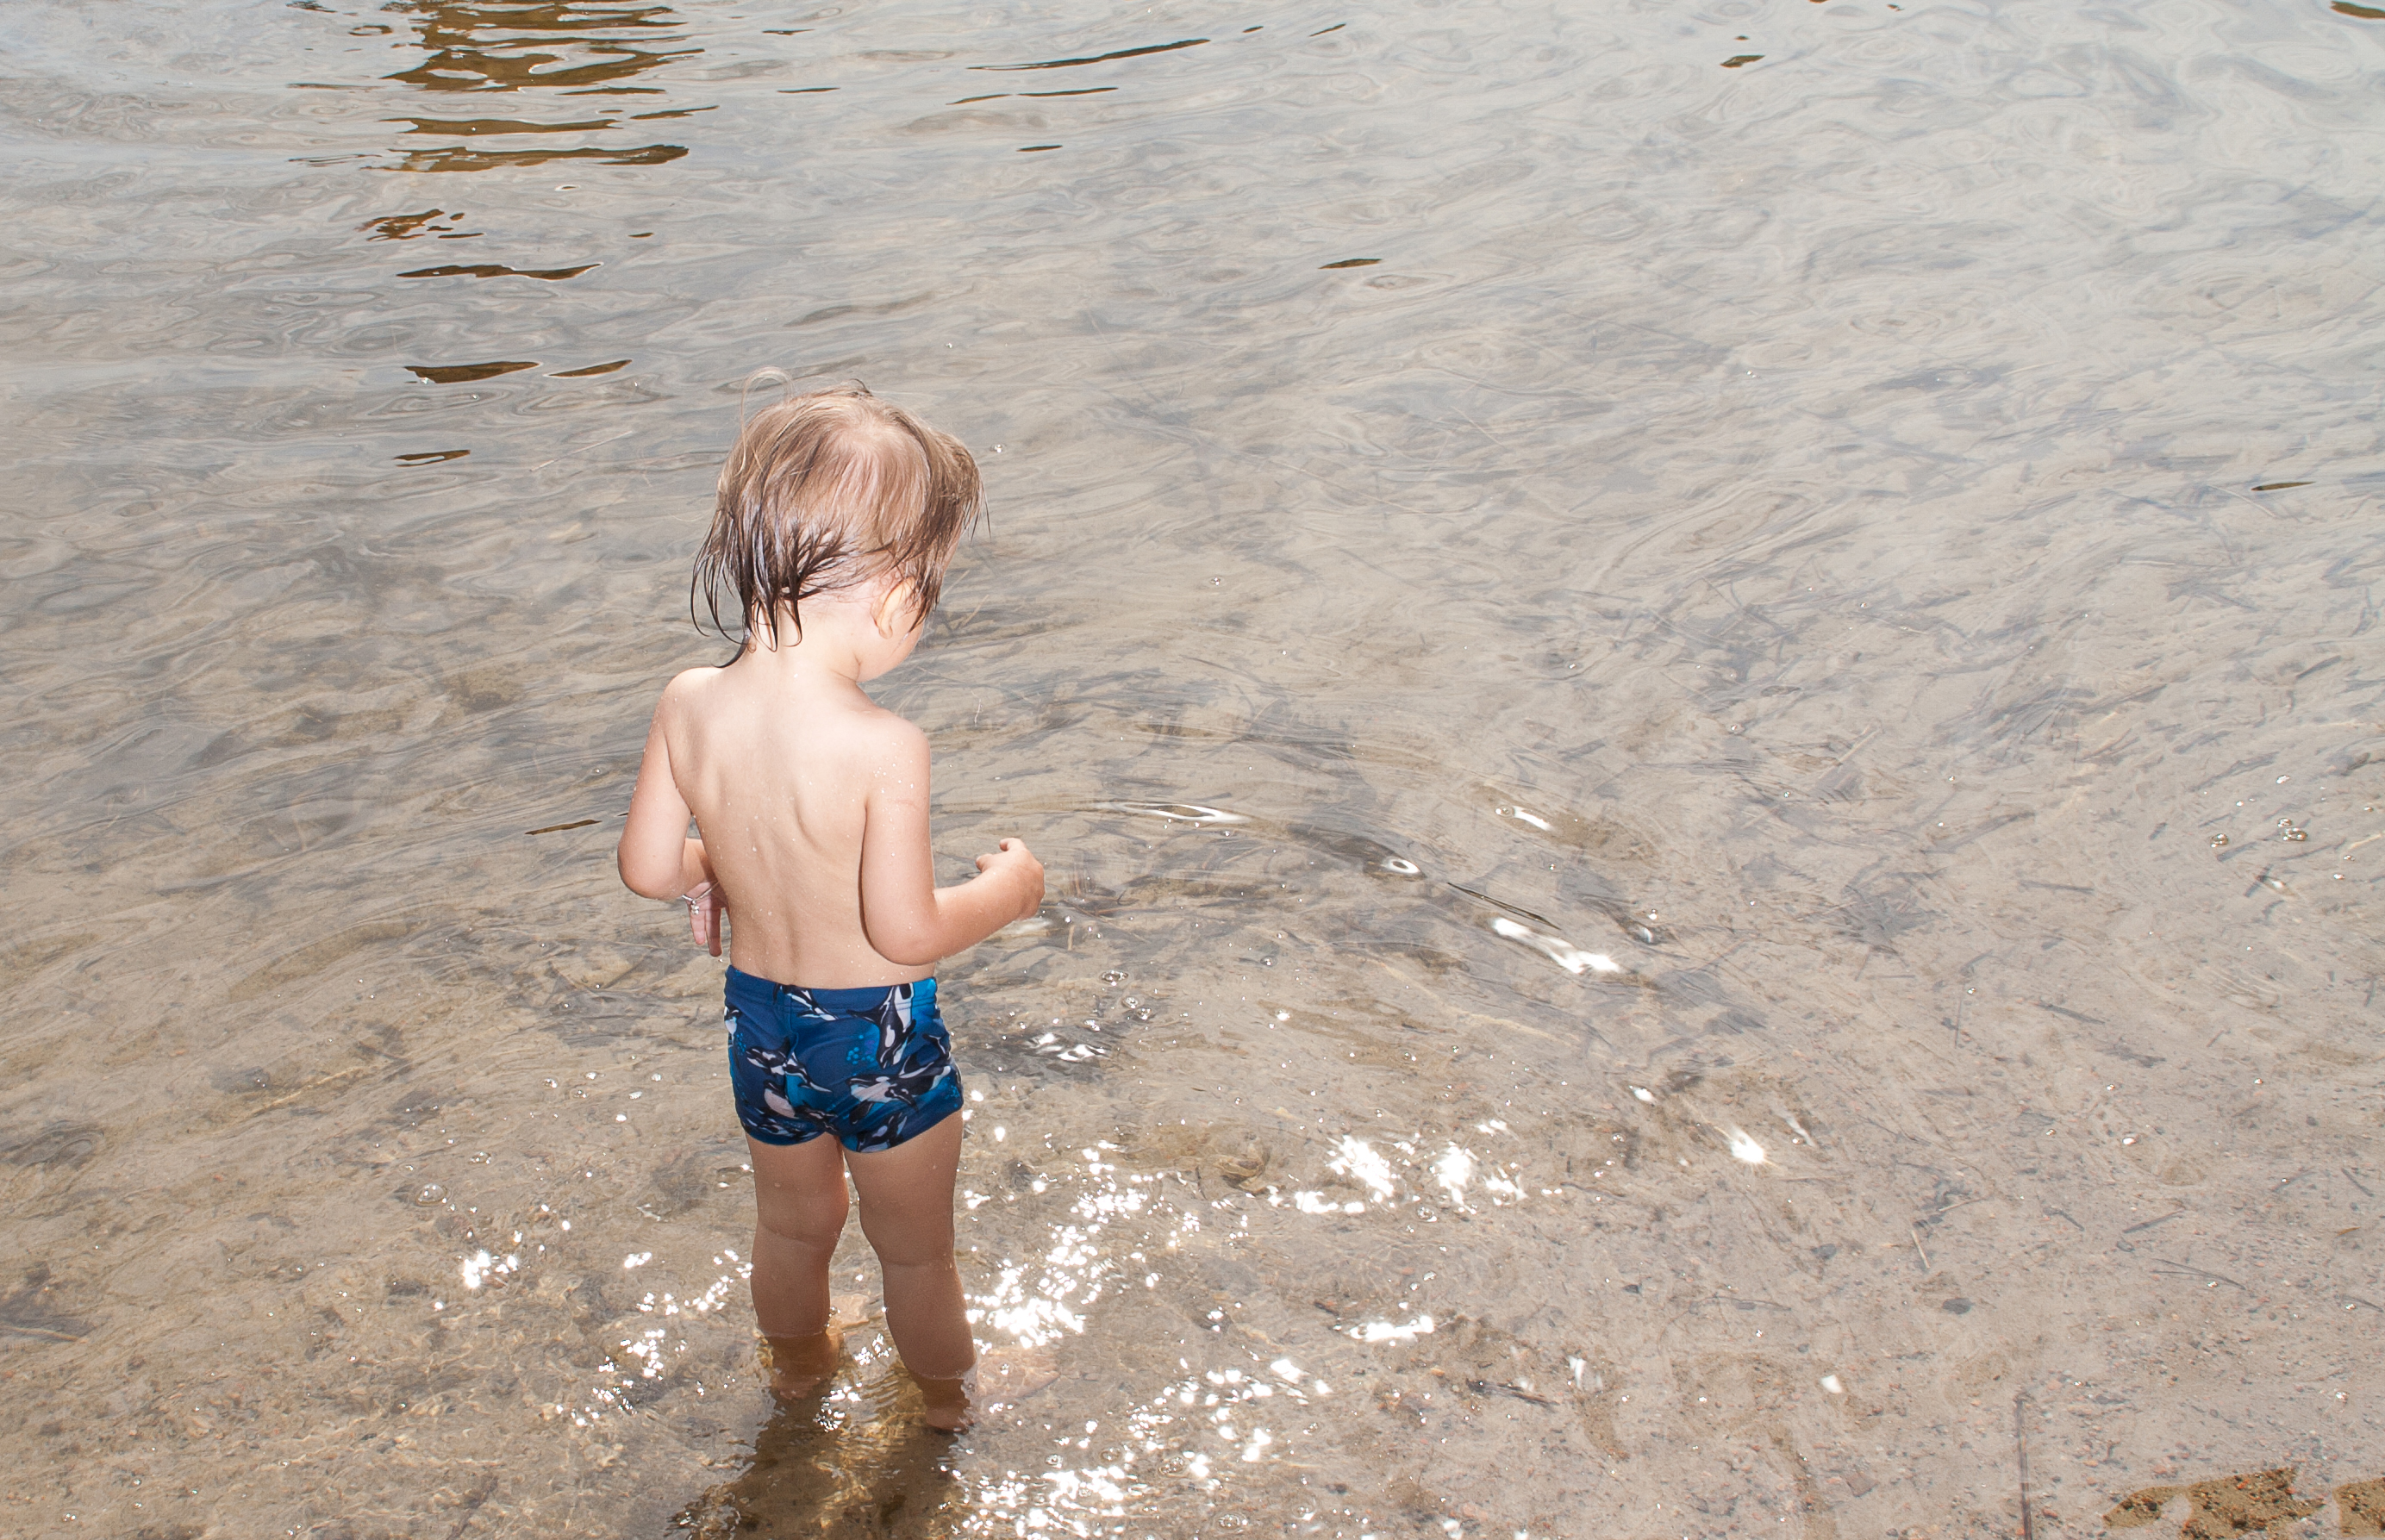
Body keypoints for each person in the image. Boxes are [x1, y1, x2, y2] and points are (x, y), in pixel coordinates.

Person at [615, 381, 1044, 1431]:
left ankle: (800, 1373)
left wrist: (721, 865)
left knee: (792, 1229)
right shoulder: (883, 744)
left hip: (761, 1023)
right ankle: (946, 1403)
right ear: (895, 595)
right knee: (916, 1252)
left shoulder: (688, 701)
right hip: (875, 1032)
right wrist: (1007, 892)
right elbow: (905, 928)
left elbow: (649, 867)